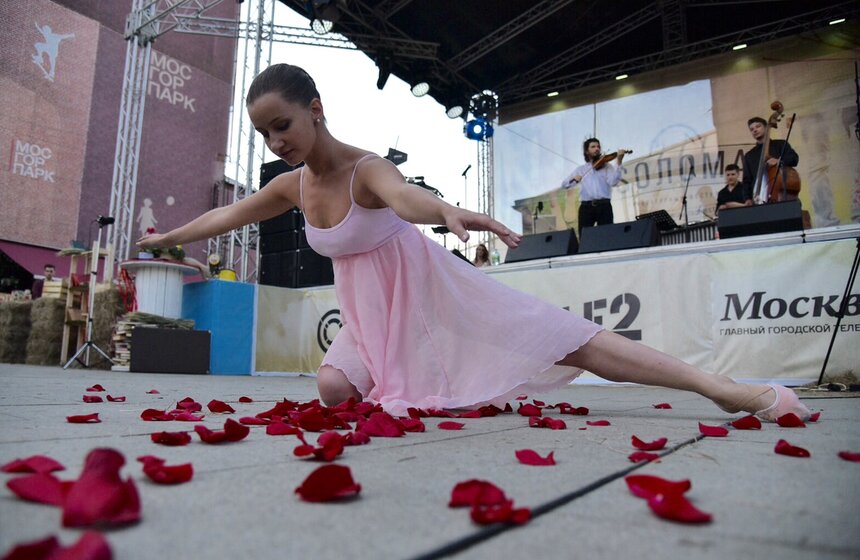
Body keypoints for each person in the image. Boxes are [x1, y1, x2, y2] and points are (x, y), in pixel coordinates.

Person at [138, 63, 809, 422]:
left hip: (435, 292)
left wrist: (448, 211)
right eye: (264, 134)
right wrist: (170, 236)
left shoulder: (365, 169)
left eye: (282, 124)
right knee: (334, 388)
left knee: (577, 342)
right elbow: (227, 218)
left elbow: (406, 197)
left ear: (316, 109)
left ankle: (726, 390)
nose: (276, 142)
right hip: (376, 324)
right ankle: (450, 380)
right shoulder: (291, 185)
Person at [561, 138, 628, 237]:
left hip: (604, 205)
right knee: (585, 237)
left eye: (598, 147)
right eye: (593, 147)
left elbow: (613, 182)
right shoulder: (581, 169)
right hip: (586, 207)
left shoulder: (607, 166)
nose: (597, 149)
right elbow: (564, 185)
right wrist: (574, 179)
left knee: (608, 236)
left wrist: (619, 161)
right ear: (587, 151)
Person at [741, 116, 799, 203]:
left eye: (758, 126)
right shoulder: (749, 156)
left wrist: (779, 161)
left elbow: (794, 159)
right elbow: (747, 181)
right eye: (752, 129)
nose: (755, 130)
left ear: (766, 127)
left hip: (783, 196)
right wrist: (747, 199)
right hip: (759, 199)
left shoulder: (780, 144)